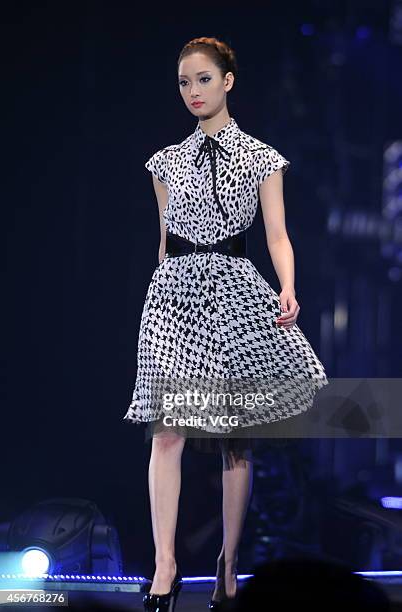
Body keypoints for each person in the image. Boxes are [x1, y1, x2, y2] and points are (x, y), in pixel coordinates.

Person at [123, 36, 329, 612]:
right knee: (168, 431)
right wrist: (165, 295)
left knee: (233, 440)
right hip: (175, 297)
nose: (193, 91)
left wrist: (287, 287)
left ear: (229, 81)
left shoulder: (264, 157)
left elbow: (278, 235)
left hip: (237, 292)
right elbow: (164, 242)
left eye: (204, 79)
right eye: (184, 82)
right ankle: (165, 564)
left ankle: (228, 565)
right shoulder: (164, 162)